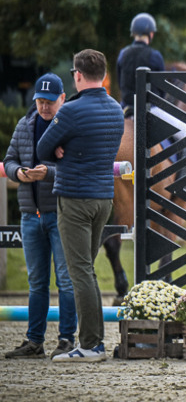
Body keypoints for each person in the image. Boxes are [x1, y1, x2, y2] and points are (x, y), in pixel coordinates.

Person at [37, 50, 125, 362]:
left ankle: (91, 345)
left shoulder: (71, 110)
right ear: (102, 74)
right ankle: (93, 341)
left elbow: (43, 148)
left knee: (80, 272)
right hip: (103, 198)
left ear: (77, 75)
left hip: (74, 198)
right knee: (86, 271)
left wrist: (64, 149)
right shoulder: (116, 109)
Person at [2, 73, 77, 360]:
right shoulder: (24, 125)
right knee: (36, 283)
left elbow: (76, 168)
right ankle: (35, 341)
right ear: (35, 100)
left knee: (65, 281)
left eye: (49, 101)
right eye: (40, 101)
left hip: (59, 213)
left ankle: (67, 339)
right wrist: (18, 173)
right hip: (30, 215)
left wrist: (49, 173)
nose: (44, 107)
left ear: (62, 99)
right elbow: (9, 160)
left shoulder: (69, 128)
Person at [116, 12, 165, 117]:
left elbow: (120, 83)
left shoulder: (122, 54)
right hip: (152, 109)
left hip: (125, 108)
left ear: (133, 33)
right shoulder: (155, 56)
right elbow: (162, 89)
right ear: (151, 34)